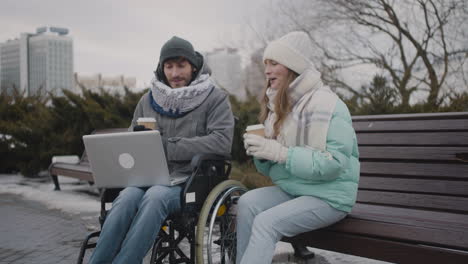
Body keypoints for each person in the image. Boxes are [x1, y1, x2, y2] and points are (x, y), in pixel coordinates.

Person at [89, 36, 234, 264]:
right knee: (126, 197)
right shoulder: (148, 100)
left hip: (192, 180)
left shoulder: (215, 99)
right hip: (148, 176)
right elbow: (129, 144)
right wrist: (136, 140)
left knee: (156, 197)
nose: (175, 73)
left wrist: (169, 147)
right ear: (161, 68)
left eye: (181, 65)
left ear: (193, 67)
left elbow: (221, 142)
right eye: (169, 66)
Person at [237, 31, 360, 264]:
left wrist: (280, 153)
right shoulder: (280, 106)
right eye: (266, 64)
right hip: (296, 190)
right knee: (247, 203)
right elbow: (272, 169)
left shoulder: (329, 104)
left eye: (274, 63)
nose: (267, 70)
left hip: (330, 197)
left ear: (292, 67)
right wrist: (262, 152)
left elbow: (333, 164)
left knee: (266, 222)